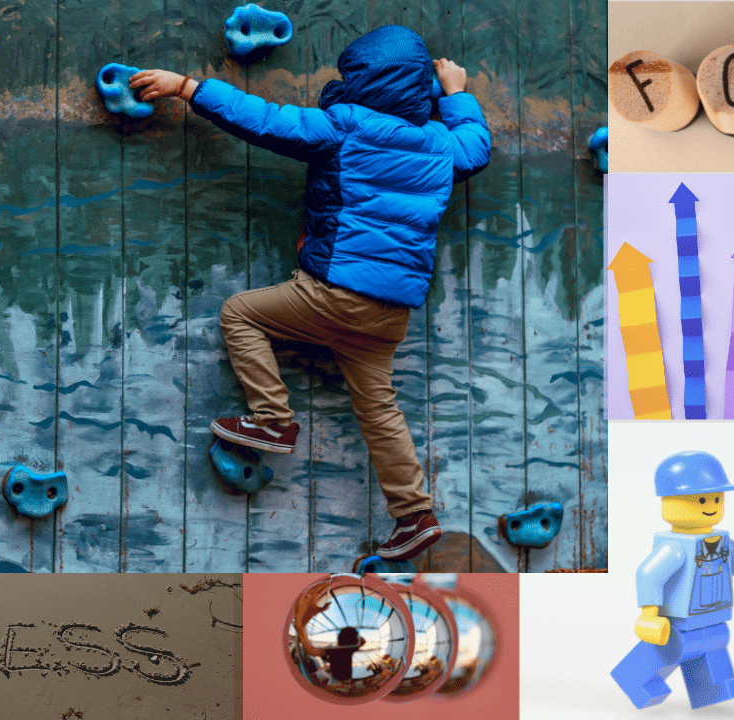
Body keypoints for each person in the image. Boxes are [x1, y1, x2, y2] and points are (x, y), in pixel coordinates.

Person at [130, 25, 491, 561]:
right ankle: (414, 515)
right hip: (390, 312)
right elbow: (476, 148)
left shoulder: (345, 126)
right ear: (421, 87)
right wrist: (458, 94)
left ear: (363, 81)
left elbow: (266, 120)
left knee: (241, 315)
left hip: (334, 292)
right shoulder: (442, 144)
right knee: (380, 410)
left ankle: (273, 420)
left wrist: (187, 87)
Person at [611, 451, 734, 710]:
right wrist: (649, 612)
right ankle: (633, 678)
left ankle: (712, 687)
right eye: (701, 499)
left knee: (714, 642)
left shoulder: (720, 541)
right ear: (669, 502)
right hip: (676, 620)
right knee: (672, 647)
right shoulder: (675, 547)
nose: (711, 504)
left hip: (712, 614)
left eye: (717, 498)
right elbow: (648, 573)